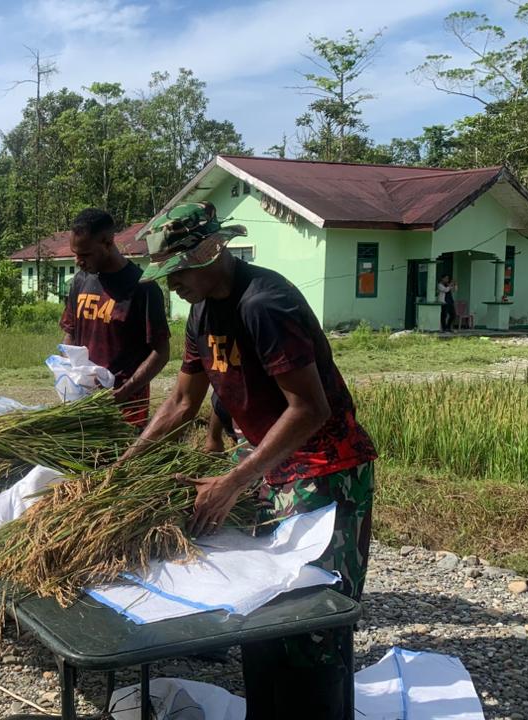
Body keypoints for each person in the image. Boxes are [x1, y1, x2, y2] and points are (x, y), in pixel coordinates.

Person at [125, 203, 377, 719]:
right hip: (266, 467)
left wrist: (233, 480)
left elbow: (310, 409)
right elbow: (180, 403)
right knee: (261, 607)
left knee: (313, 618)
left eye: (177, 272)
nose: (172, 286)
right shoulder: (200, 312)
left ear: (210, 251)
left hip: (323, 472)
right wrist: (124, 466)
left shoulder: (265, 303)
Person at [61, 208, 170, 428]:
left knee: (121, 461)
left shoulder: (143, 288)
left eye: (84, 254)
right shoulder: (81, 281)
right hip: (83, 399)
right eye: (75, 253)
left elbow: (161, 353)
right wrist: (68, 375)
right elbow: (70, 333)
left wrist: (124, 392)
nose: (77, 261)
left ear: (108, 243)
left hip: (126, 407)